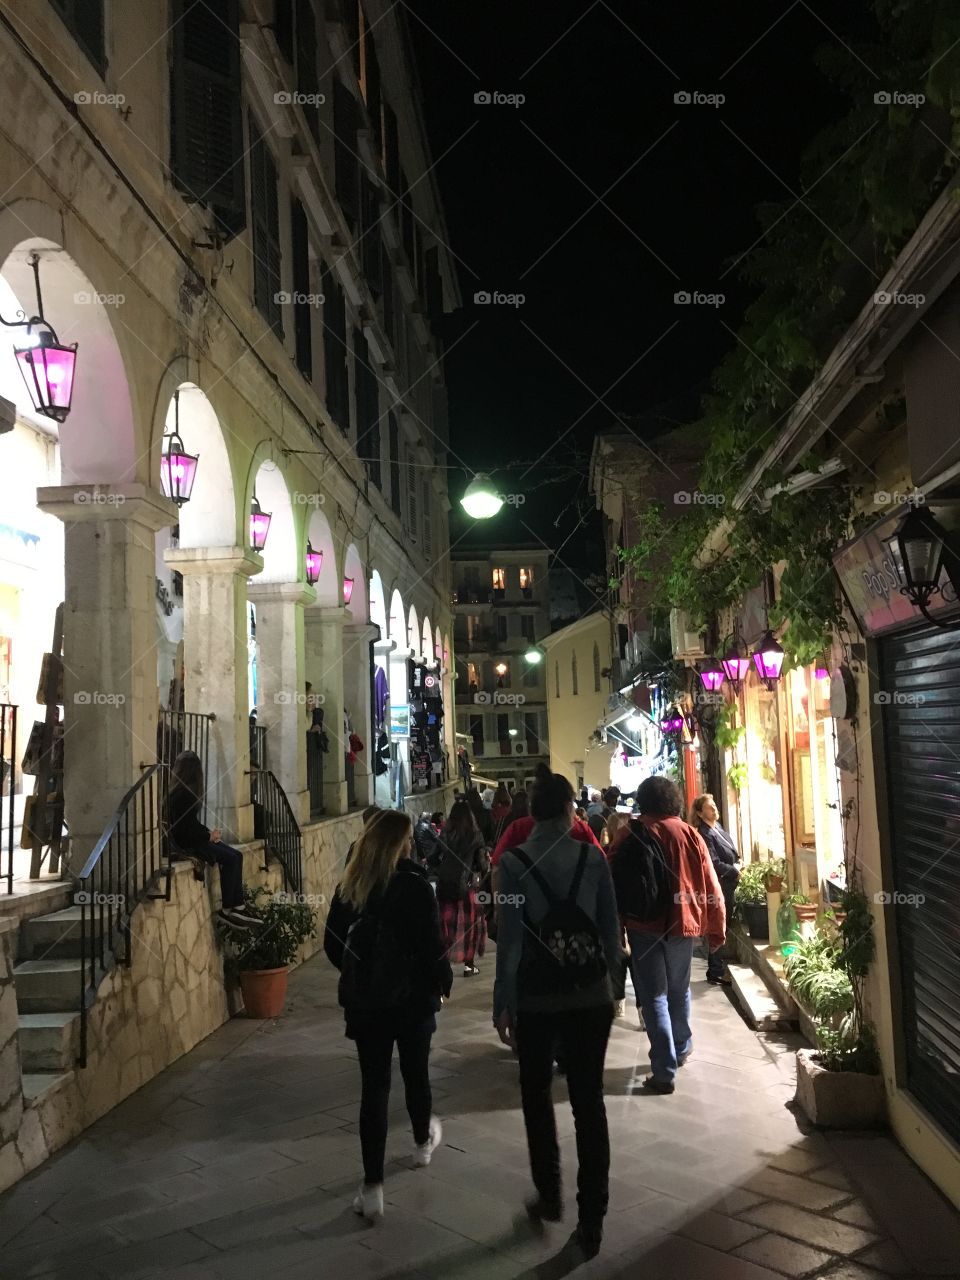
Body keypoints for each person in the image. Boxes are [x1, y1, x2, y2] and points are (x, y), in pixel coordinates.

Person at [494, 767, 623, 1259]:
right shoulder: (593, 858)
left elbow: (509, 942)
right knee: (590, 1104)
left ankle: (549, 1192)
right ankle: (592, 1220)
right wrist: (611, 987)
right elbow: (610, 933)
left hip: (537, 998)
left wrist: (502, 1002)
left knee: (535, 1093)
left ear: (532, 812)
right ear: (571, 811)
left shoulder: (513, 864)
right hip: (589, 997)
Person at [323, 810, 453, 1221]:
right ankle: (420, 1145)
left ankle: (373, 1187)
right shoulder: (416, 886)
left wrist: (362, 971)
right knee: (417, 1075)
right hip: (413, 1002)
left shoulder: (352, 885)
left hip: (369, 1005)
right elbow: (434, 946)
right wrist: (439, 983)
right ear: (402, 843)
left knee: (373, 1089)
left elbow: (332, 943)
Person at [621, 777, 725, 1094]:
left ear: (643, 801)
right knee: (679, 989)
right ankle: (680, 1047)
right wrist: (717, 926)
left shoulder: (631, 832)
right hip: (683, 922)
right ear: (674, 800)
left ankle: (663, 1070)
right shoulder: (690, 834)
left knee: (654, 995)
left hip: (642, 925)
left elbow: (613, 879)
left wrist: (616, 925)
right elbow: (710, 882)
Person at [166, 751, 260, 930]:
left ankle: (238, 906)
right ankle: (228, 909)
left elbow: (189, 824)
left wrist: (208, 833)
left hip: (194, 839)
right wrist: (207, 836)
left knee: (237, 855)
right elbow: (184, 830)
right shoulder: (183, 795)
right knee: (231, 858)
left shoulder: (180, 793)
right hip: (188, 844)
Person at [491, 767, 602, 866]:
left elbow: (497, 867)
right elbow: (602, 864)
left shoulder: (517, 828)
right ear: (568, 806)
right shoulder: (581, 830)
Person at [432, 798, 489, 976]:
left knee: (446, 925)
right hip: (467, 887)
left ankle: (445, 963)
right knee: (470, 927)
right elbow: (481, 865)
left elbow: (433, 857)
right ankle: (469, 966)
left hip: (445, 885)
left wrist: (441, 868)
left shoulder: (445, 834)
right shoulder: (475, 835)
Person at [690, 793, 740, 986]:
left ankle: (717, 966)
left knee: (723, 924)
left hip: (729, 881)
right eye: (710, 807)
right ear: (701, 813)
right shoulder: (704, 833)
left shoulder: (717, 827)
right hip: (720, 883)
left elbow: (729, 850)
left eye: (714, 805)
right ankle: (716, 970)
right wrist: (734, 871)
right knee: (718, 925)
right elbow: (714, 862)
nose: (715, 809)